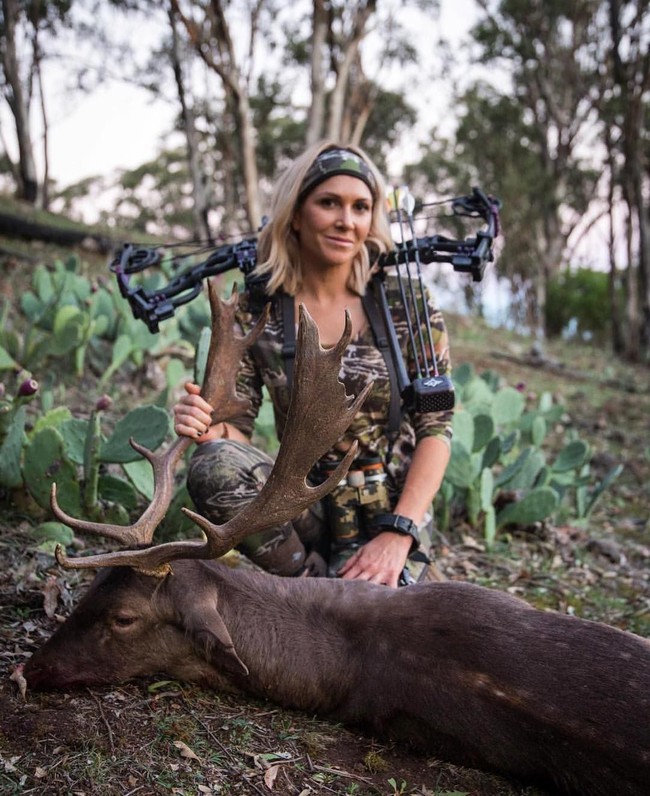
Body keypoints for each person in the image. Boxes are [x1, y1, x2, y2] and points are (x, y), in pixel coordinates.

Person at [173, 141, 453, 588]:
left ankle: (369, 577)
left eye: (361, 207)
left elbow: (437, 429)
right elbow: (235, 432)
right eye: (329, 203)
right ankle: (311, 586)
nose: (347, 221)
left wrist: (399, 533)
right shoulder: (256, 308)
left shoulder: (407, 303)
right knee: (213, 464)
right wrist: (210, 428)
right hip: (303, 502)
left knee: (394, 633)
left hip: (395, 505)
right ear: (297, 214)